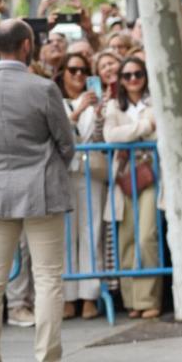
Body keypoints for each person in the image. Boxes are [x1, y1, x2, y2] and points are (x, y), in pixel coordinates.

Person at [0, 19, 89, 362]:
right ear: (24, 46)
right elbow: (66, 142)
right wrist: (51, 165)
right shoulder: (43, 88)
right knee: (49, 278)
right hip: (41, 191)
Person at [103, 56, 162, 319]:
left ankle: (149, 297)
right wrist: (144, 127)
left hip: (151, 175)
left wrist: (131, 132)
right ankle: (131, 300)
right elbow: (111, 136)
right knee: (126, 238)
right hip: (123, 178)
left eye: (138, 73)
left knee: (146, 235)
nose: (133, 79)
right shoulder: (114, 106)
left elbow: (158, 134)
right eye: (127, 76)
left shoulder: (155, 102)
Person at [57, 52, 107, 320]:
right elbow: (56, 132)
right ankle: (68, 297)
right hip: (64, 173)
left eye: (84, 70)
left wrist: (97, 113)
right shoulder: (54, 99)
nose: (78, 75)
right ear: (63, 72)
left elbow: (99, 136)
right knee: (66, 235)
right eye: (73, 69)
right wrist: (76, 112)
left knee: (92, 231)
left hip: (90, 172)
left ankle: (90, 295)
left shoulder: (97, 101)